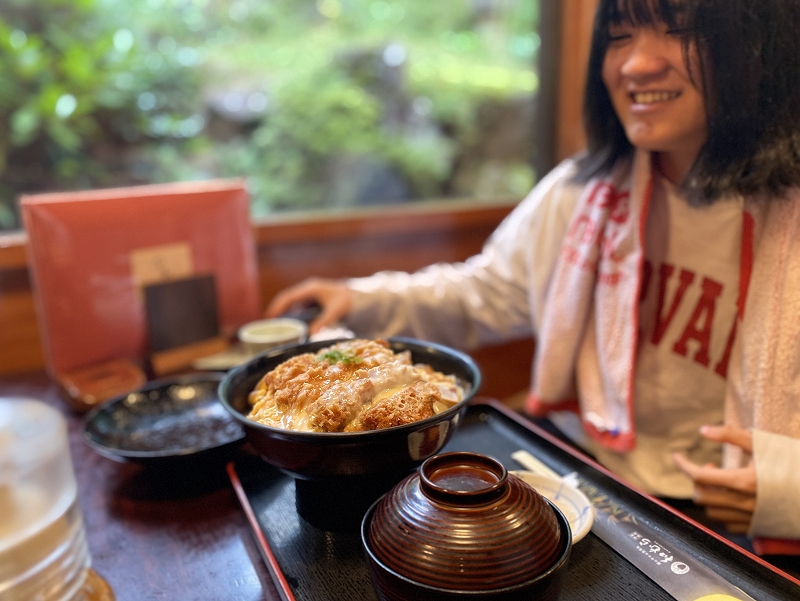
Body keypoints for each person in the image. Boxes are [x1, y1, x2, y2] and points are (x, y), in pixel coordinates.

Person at [266, 0, 800, 556]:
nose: (637, 64)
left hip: (730, 526)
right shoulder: (581, 190)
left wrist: (790, 489)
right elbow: (487, 291)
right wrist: (361, 298)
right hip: (581, 473)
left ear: (765, 44)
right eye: (619, 35)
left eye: (682, 30)